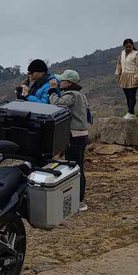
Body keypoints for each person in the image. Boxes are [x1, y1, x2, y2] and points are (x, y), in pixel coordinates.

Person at [52, 69, 90, 211]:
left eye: (62, 81)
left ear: (69, 83)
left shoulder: (71, 95)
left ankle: (79, 202)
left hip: (74, 135)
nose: (60, 82)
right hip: (82, 135)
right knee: (79, 167)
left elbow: (57, 103)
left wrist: (52, 91)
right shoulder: (80, 94)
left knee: (75, 169)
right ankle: (79, 200)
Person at [115, 39, 138, 118]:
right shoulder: (122, 53)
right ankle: (132, 113)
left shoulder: (136, 54)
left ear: (133, 46)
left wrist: (136, 78)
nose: (128, 48)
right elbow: (119, 65)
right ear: (124, 47)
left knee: (132, 95)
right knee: (127, 96)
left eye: (130, 47)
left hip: (133, 76)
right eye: (126, 47)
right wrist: (117, 75)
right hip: (124, 76)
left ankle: (130, 112)